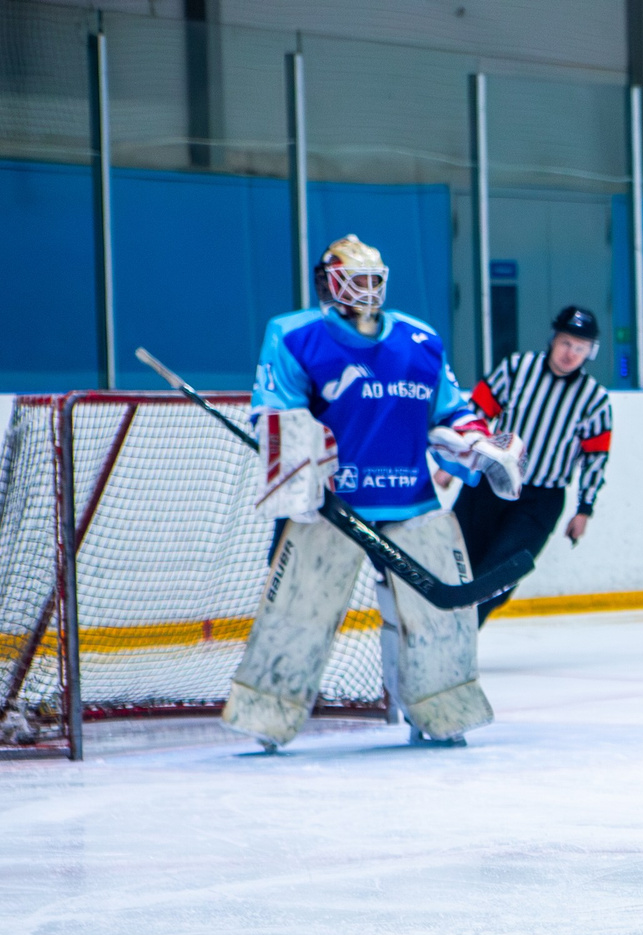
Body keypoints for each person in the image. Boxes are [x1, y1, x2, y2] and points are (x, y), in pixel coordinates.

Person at [227, 234, 521, 750]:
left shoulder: (420, 339)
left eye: (372, 279)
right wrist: (298, 457)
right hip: (329, 507)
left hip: (411, 501)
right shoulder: (294, 335)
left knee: (437, 618)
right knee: (298, 613)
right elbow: (276, 410)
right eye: (355, 279)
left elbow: (450, 410)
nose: (366, 289)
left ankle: (438, 708)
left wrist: (474, 442)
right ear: (330, 282)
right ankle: (266, 714)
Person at [460, 305, 615, 625]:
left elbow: (595, 458)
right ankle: (441, 633)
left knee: (500, 576)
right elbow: (476, 412)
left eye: (580, 348)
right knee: (459, 562)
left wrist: (584, 509)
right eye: (566, 343)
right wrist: (456, 463)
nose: (571, 354)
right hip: (490, 483)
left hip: (540, 502)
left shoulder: (595, 400)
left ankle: (462, 635)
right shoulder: (517, 368)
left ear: (590, 352)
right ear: (553, 339)